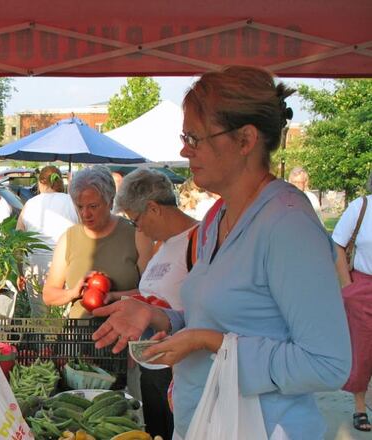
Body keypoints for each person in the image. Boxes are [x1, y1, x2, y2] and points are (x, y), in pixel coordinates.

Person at [92, 66, 351, 440]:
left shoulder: (287, 225)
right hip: (206, 421)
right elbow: (222, 318)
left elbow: (327, 364)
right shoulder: (217, 216)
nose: (185, 149)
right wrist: (163, 319)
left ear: (245, 139)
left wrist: (206, 343)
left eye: (194, 138)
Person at [111, 168, 198, 440]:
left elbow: (203, 312)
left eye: (136, 221)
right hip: (153, 366)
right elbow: (153, 295)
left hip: (179, 368)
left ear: (153, 209)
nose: (138, 229)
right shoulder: (165, 245)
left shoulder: (199, 241)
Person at [42, 164, 153, 319]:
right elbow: (49, 295)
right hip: (80, 335)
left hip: (126, 333)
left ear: (110, 201)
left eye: (93, 206)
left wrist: (114, 296)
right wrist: (73, 292)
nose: (85, 213)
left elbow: (152, 291)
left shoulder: (137, 235)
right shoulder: (68, 238)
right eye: (80, 207)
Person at [332, 169, 372, 432]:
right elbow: (337, 244)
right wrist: (347, 287)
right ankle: (360, 407)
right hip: (363, 287)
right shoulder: (362, 206)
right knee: (363, 349)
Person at [17, 165, 78, 316]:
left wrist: (19, 271)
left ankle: (41, 340)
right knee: (64, 318)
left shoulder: (30, 204)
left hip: (35, 267)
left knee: (40, 317)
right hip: (66, 266)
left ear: (40, 183)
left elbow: (17, 241)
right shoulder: (73, 202)